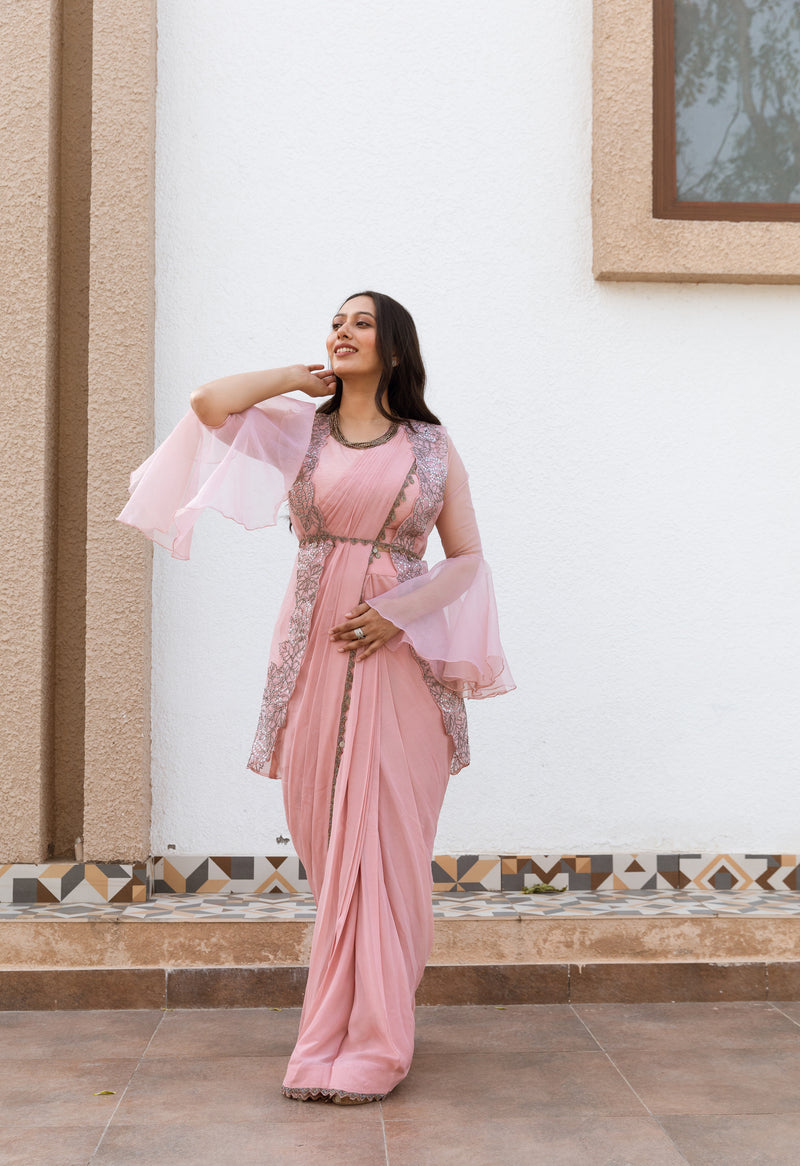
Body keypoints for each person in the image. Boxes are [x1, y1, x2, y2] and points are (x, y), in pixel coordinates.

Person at [118, 291, 515, 1104]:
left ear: (396, 348)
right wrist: (298, 378)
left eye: (361, 323)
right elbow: (208, 403)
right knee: (331, 846)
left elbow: (469, 561)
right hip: (311, 652)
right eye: (335, 320)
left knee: (388, 849)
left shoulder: (432, 448)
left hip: (400, 663)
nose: (342, 331)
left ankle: (374, 1044)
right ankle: (335, 1030)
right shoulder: (301, 427)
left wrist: (398, 615)